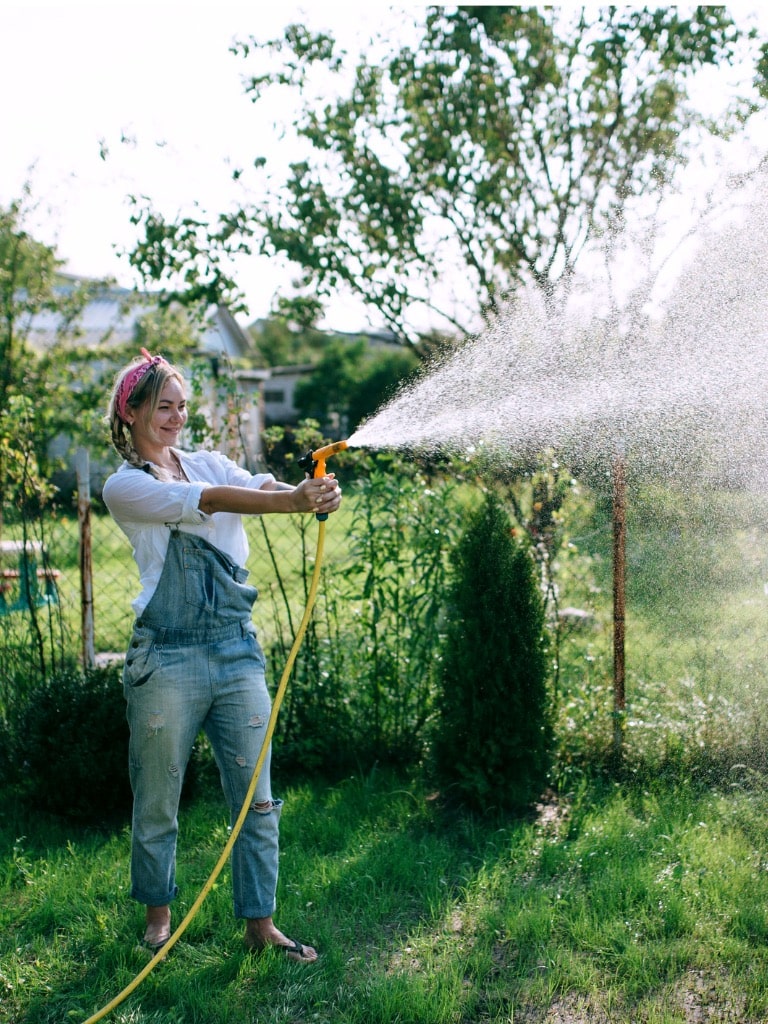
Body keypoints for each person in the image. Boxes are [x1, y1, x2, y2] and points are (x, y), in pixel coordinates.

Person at [102, 348, 341, 963]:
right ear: (131, 412)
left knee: (256, 797)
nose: (176, 418)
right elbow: (208, 501)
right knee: (157, 797)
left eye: (182, 406)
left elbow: (251, 484)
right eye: (163, 407)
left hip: (236, 652)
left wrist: (302, 492)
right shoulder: (126, 485)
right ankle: (159, 916)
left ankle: (260, 923)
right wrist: (288, 504)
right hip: (167, 658)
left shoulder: (205, 459)